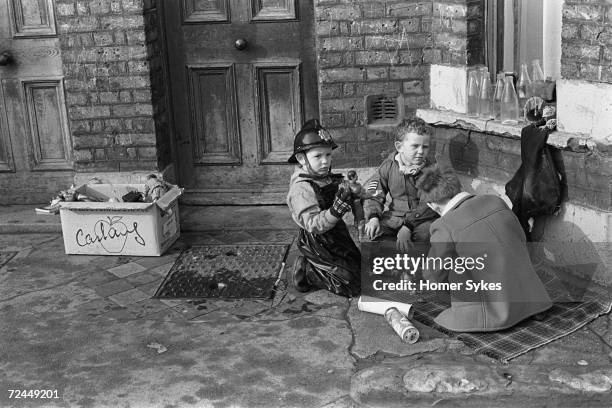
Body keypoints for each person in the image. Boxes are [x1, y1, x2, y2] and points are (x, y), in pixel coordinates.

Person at [417, 166, 553, 332]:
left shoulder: (443, 225)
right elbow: (521, 238)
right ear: (458, 187)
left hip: (494, 310)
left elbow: (434, 274)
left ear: (432, 205)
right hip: (532, 297)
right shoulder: (495, 200)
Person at [286, 119, 360, 297]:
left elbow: (347, 192)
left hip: (336, 235)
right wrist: (335, 211)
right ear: (302, 158)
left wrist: (354, 191)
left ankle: (330, 268)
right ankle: (308, 270)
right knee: (350, 284)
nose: (325, 161)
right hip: (317, 240)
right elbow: (312, 224)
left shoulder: (325, 177)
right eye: (318, 156)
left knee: (361, 269)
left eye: (328, 155)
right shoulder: (301, 188)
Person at [363, 119, 439, 251]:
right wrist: (373, 216)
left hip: (422, 219)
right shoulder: (388, 166)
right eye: (415, 146)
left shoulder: (431, 170)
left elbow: (427, 204)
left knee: (424, 236)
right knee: (373, 234)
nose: (421, 151)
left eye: (425, 147)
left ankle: (418, 268)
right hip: (395, 216)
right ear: (399, 147)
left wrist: (408, 226)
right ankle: (389, 266)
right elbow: (375, 193)